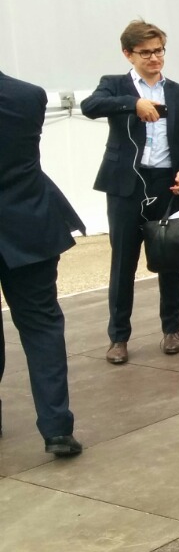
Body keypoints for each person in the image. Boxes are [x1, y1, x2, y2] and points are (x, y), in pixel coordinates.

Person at [80, 20, 179, 364]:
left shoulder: (177, 91)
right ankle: (119, 337)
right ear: (128, 54)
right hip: (126, 185)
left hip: (166, 183)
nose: (154, 58)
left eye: (159, 50)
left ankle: (171, 329)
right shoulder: (114, 86)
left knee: (170, 258)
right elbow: (91, 106)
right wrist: (133, 104)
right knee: (123, 263)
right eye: (146, 52)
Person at [0, 70, 85, 456]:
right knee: (42, 325)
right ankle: (56, 428)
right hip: (28, 225)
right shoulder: (28, 96)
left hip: (27, 222)